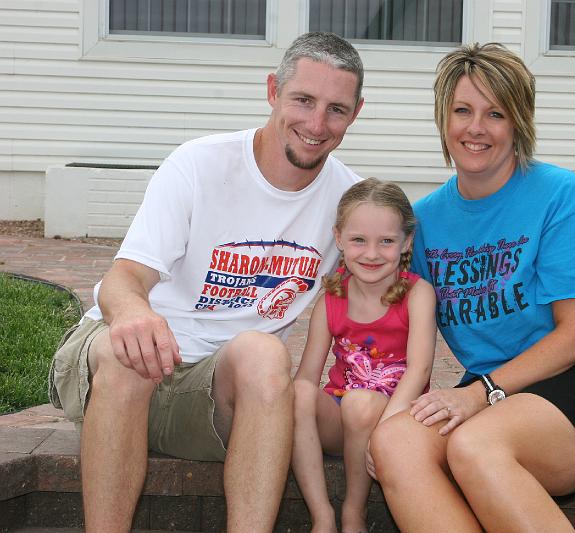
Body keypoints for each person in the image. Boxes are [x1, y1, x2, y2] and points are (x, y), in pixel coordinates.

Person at [47, 32, 365, 532]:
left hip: (213, 394)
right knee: (129, 354)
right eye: (303, 100)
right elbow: (124, 278)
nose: (316, 124)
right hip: (119, 369)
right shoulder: (200, 164)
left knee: (265, 354)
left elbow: (385, 301)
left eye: (336, 109)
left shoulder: (350, 201)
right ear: (272, 91)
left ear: (356, 113)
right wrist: (134, 313)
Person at [369, 43, 575, 532]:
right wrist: (386, 413)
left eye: (496, 113)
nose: (476, 128)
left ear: (518, 123)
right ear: (443, 117)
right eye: (462, 111)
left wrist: (480, 394)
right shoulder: (424, 223)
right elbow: (394, 329)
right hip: (500, 394)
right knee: (395, 443)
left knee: (475, 444)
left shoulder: (560, 194)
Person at [292, 178, 436, 533]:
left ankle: (353, 514)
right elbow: (307, 378)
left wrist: (383, 433)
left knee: (359, 403)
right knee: (298, 393)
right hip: (341, 422)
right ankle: (322, 516)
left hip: (397, 417)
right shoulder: (331, 299)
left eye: (386, 241)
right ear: (339, 238)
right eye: (358, 240)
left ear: (407, 242)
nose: (371, 254)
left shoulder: (418, 294)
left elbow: (419, 371)